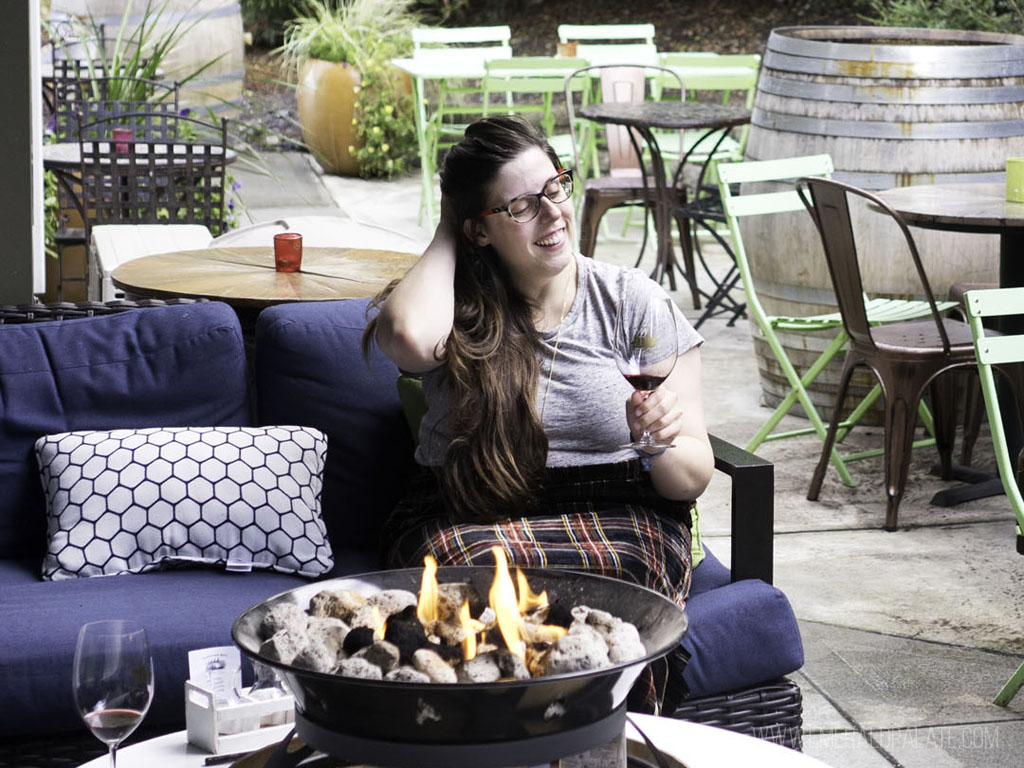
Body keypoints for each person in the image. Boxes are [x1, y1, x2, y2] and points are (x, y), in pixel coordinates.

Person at [363, 115, 714, 710]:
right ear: (478, 229)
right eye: (522, 206)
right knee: (463, 576)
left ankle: (599, 743)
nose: (553, 213)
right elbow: (406, 338)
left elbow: (690, 477)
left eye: (556, 188)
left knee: (620, 585)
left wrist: (659, 442)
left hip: (619, 510)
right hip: (470, 511)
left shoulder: (632, 302)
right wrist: (450, 224)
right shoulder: (457, 305)